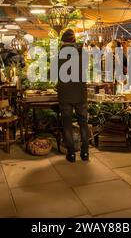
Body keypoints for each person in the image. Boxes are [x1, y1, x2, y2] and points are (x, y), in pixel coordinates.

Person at [57, 29, 89, 163]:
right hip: (80, 93)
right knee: (83, 123)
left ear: (64, 41)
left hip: (65, 94)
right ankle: (85, 153)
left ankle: (71, 154)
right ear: (74, 40)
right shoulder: (83, 53)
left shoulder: (60, 55)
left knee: (67, 124)